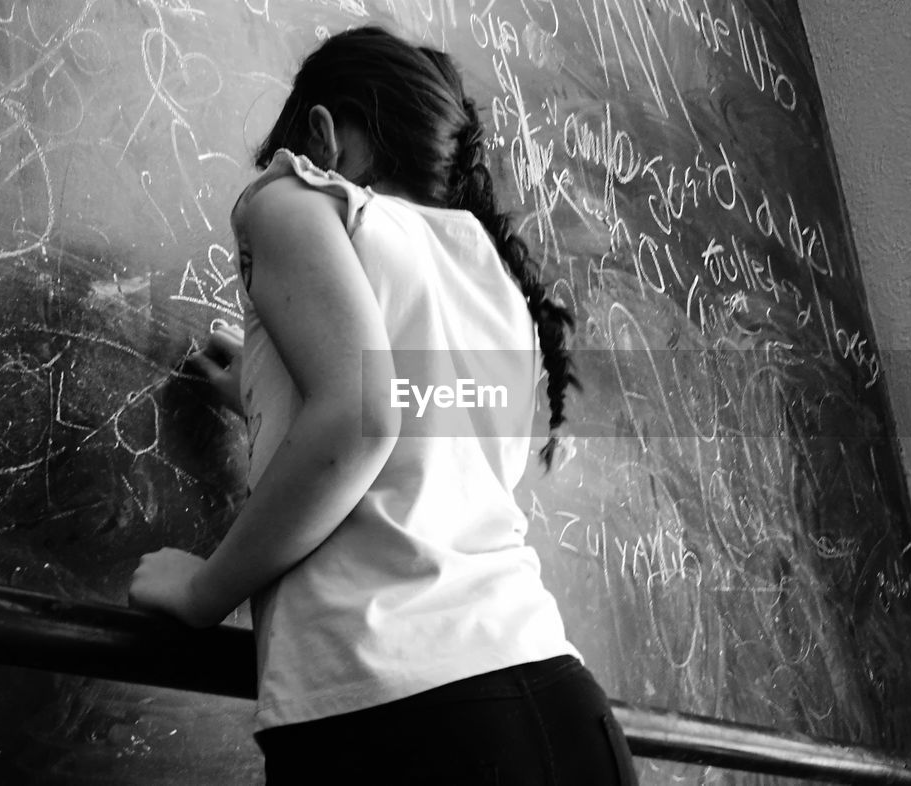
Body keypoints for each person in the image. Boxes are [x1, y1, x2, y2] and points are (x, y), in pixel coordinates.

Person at [127, 25, 638, 786]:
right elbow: (420, 451)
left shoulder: (292, 195)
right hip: (566, 713)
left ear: (322, 136)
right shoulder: (491, 278)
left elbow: (361, 424)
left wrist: (203, 592)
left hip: (407, 722)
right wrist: (265, 397)